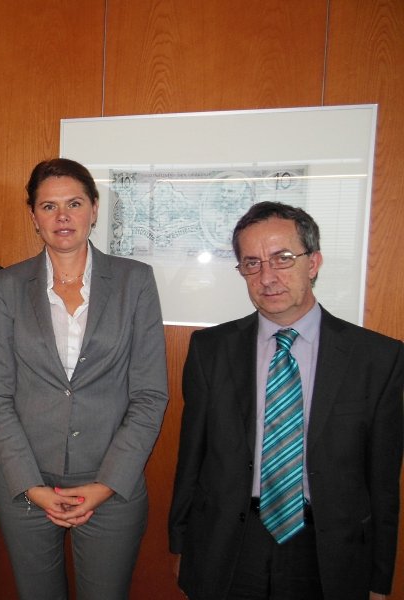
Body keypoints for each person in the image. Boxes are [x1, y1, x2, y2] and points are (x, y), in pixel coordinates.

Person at [168, 201, 404, 600]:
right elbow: (192, 456)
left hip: (327, 548)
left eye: (283, 258)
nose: (268, 277)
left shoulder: (377, 359)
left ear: (313, 263)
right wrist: (181, 544)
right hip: (229, 542)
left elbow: (382, 483)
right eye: (252, 263)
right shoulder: (210, 349)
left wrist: (379, 579)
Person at [0, 158, 169, 599]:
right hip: (26, 484)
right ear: (33, 216)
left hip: (112, 484)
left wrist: (105, 484)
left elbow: (149, 394)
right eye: (48, 206)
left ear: (94, 209)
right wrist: (31, 485)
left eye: (74, 203)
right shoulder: (7, 286)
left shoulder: (134, 281)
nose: (62, 217)